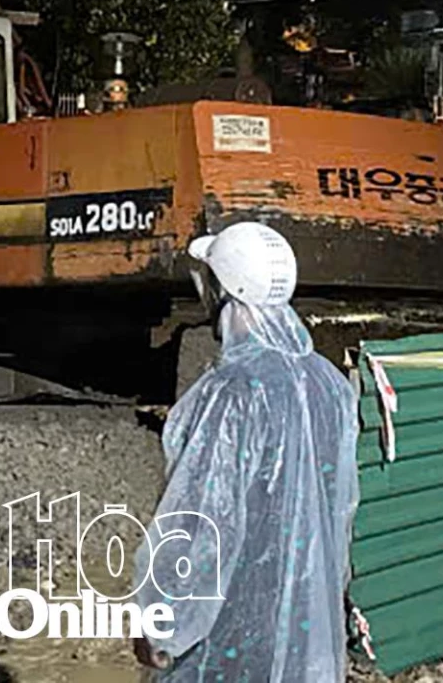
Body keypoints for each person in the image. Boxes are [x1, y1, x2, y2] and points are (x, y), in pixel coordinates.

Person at [132, 222, 360, 680]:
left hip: (234, 626)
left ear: (222, 290)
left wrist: (163, 623)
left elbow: (201, 517)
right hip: (304, 624)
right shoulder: (330, 384)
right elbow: (340, 510)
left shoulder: (233, 391)